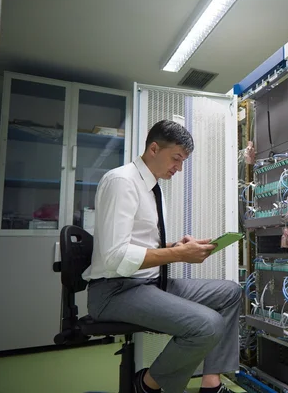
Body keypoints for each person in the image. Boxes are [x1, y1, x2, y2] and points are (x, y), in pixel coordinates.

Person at [83, 120, 241, 393]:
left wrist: (174, 245)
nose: (179, 168)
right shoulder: (122, 181)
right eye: (176, 158)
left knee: (230, 292)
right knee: (207, 324)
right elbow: (114, 256)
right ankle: (147, 385)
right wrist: (178, 254)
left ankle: (211, 384)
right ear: (154, 149)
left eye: (183, 161)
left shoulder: (153, 187)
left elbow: (138, 244)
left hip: (146, 282)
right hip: (115, 290)